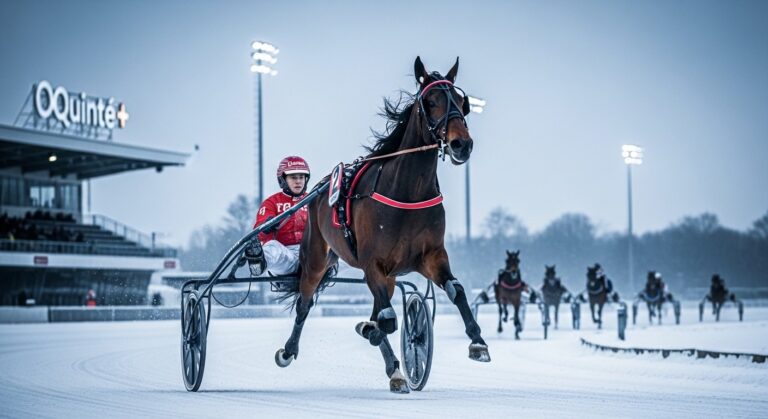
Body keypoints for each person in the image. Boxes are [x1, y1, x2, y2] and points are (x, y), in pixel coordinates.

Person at [244, 156, 313, 276]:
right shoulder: (272, 202)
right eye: (293, 177)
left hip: (313, 256)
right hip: (286, 257)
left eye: (301, 177)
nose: (298, 181)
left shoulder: (314, 200)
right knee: (272, 246)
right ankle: (258, 262)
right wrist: (266, 226)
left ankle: (357, 259)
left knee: (341, 247)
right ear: (282, 180)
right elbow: (258, 231)